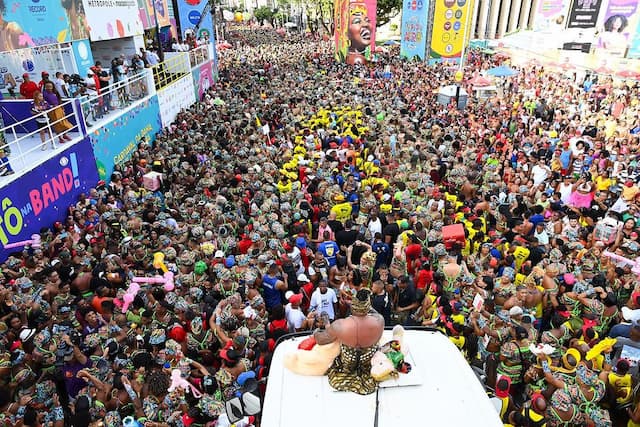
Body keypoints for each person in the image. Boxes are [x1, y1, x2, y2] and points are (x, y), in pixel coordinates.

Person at [314, 289, 384, 394]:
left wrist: (318, 330)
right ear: (368, 306)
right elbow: (373, 312)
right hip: (368, 365)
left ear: (352, 306)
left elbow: (320, 340)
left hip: (346, 366)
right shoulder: (379, 320)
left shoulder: (339, 325)